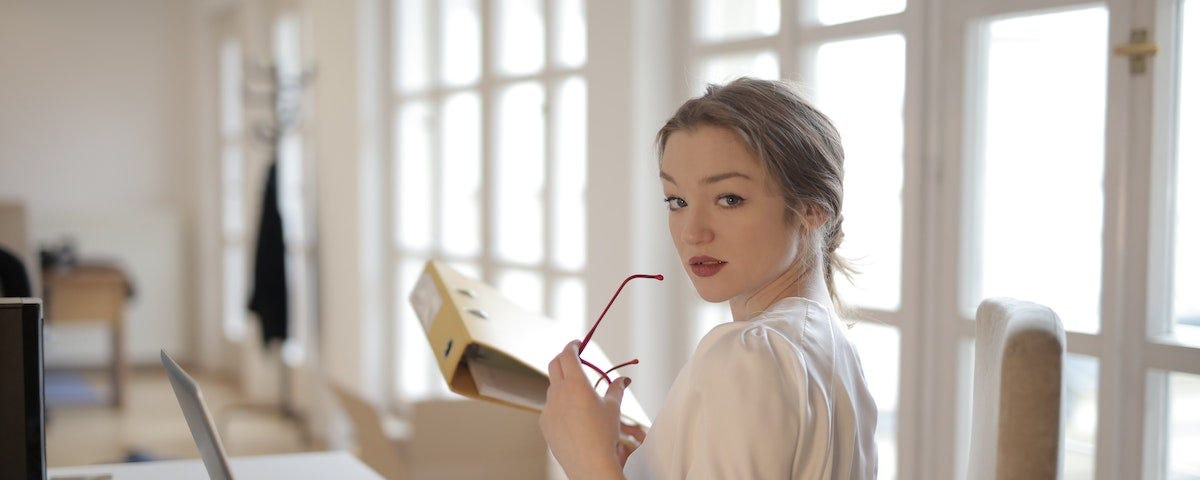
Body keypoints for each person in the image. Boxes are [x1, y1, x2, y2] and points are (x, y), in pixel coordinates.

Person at [539, 77, 878, 479]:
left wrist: (586, 459)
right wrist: (667, 454)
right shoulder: (836, 352)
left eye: (729, 199)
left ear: (812, 208)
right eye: (677, 201)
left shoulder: (750, 355)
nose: (692, 232)